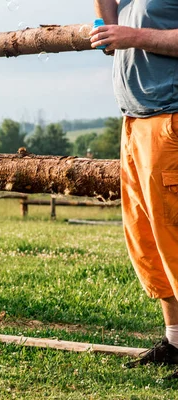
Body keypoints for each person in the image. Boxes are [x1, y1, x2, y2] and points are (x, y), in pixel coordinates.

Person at [91, 0, 178, 378]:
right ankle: (175, 341)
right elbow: (112, 41)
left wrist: (133, 35)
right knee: (149, 244)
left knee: (174, 238)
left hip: (170, 118)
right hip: (134, 121)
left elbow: (128, 36)